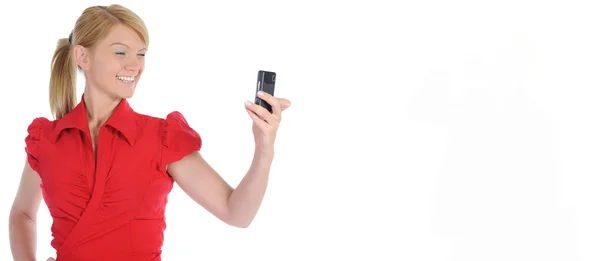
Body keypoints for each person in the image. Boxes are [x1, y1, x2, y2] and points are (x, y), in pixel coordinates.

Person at [8, 4, 291, 261]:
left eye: (141, 54)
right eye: (121, 52)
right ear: (83, 56)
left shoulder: (162, 138)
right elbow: (22, 214)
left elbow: (236, 213)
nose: (135, 65)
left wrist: (264, 150)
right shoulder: (46, 139)